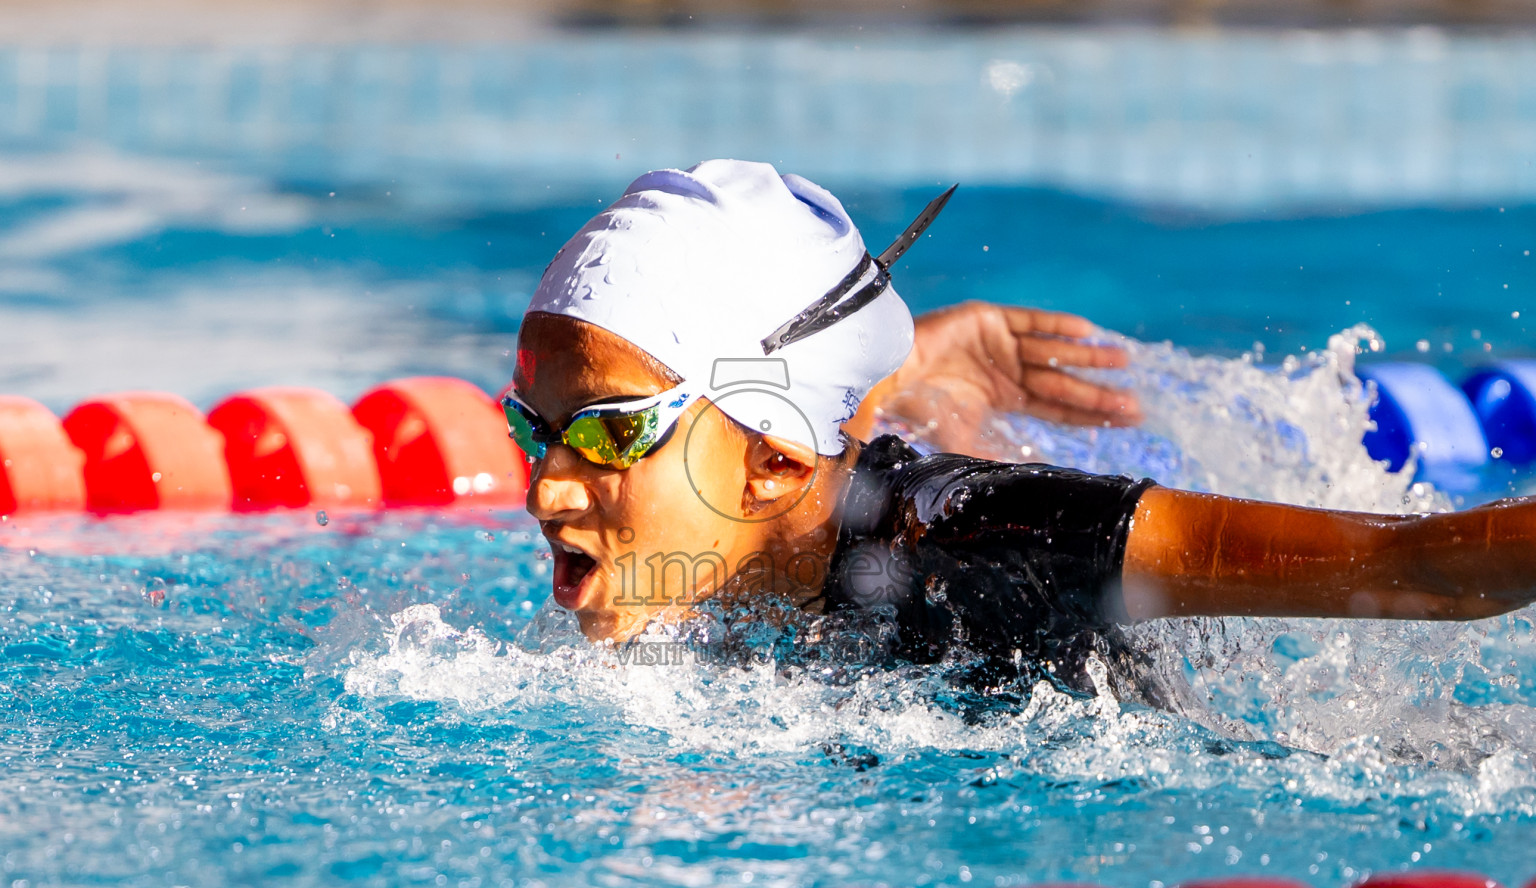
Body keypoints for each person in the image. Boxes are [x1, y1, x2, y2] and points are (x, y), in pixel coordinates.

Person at [507, 159, 1536, 691]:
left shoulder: (1005, 543)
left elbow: (1423, 566)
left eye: (607, 430)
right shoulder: (707, 539)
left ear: (771, 459)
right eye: (534, 427)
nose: (544, 486)